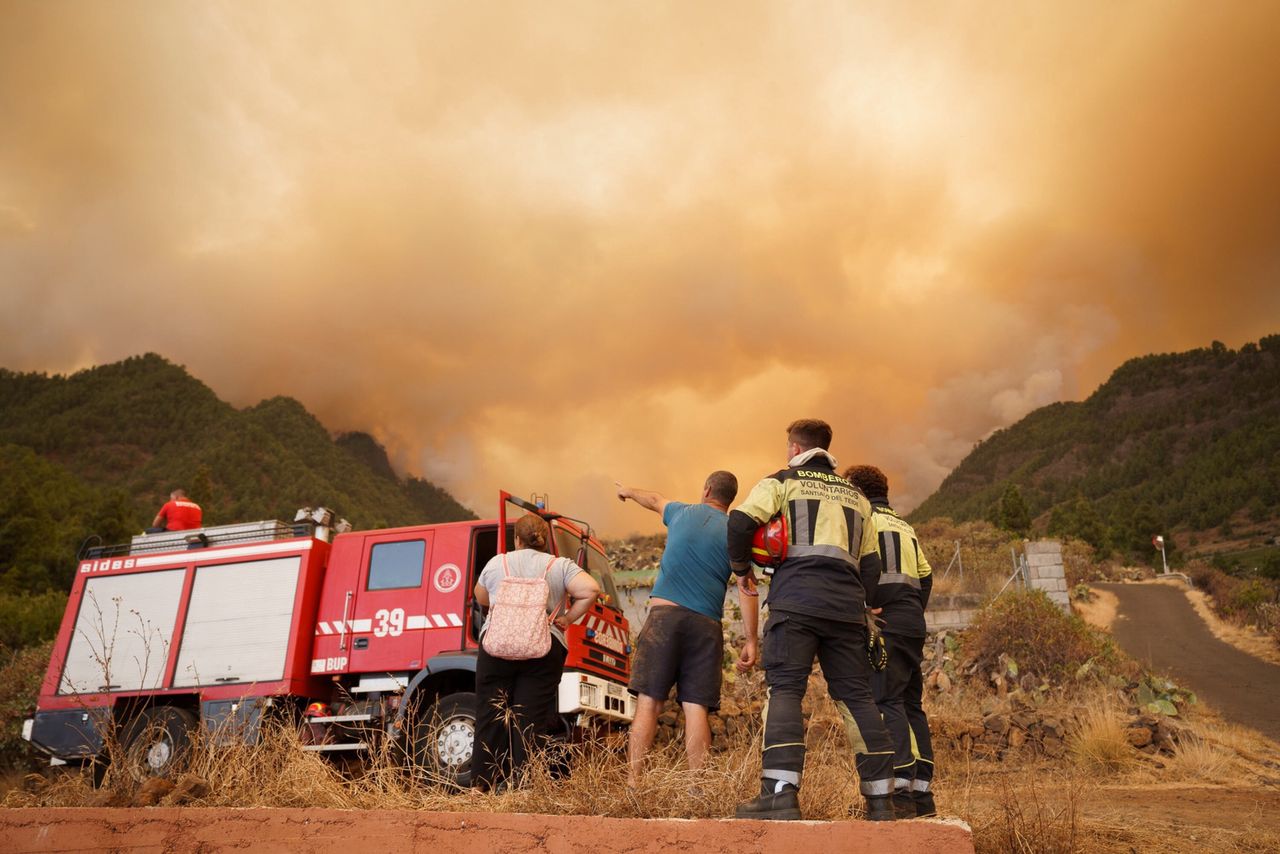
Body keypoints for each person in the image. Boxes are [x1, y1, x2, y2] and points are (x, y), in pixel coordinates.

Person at [727, 419, 896, 822]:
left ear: (794, 447)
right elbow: (872, 564)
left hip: (796, 604)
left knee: (786, 690)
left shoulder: (781, 482)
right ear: (826, 449)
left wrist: (741, 568)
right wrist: (863, 603)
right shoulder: (858, 498)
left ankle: (780, 795)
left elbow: (739, 522)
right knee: (857, 697)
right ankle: (881, 801)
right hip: (847, 611)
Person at [616, 472, 758, 789]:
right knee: (696, 708)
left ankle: (633, 785)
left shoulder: (681, 512)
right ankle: (697, 788)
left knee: (649, 702)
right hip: (706, 625)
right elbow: (748, 587)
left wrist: (627, 490)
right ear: (730, 499)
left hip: (664, 619)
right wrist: (750, 640)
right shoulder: (735, 531)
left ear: (706, 489)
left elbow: (652, 498)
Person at [470, 513, 600, 791]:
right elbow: (591, 589)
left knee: (489, 714)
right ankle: (525, 787)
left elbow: (479, 597)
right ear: (544, 540)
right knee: (529, 719)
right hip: (543, 648)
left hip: (497, 648)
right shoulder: (559, 565)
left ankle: (481, 787)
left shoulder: (498, 562)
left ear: (516, 539)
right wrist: (567, 619)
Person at [843, 464, 936, 818]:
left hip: (887, 623)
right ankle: (922, 791)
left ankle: (900, 789)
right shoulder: (906, 526)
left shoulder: (863, 518)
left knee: (886, 700)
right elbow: (926, 576)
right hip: (913, 622)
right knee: (912, 704)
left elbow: (859, 566)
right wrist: (911, 607)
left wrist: (869, 607)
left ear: (857, 491)